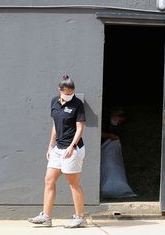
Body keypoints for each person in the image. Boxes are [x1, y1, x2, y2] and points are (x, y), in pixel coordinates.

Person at [28, 75, 87, 228]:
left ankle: (80, 217)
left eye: (72, 92)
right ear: (60, 90)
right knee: (49, 180)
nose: (70, 95)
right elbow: (55, 125)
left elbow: (80, 128)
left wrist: (71, 147)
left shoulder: (77, 104)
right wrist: (50, 145)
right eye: (67, 93)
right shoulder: (54, 102)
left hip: (72, 149)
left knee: (73, 184)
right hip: (57, 148)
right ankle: (46, 217)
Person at [100, 109, 137, 198]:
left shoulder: (116, 127)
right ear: (114, 115)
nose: (118, 122)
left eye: (120, 121)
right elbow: (96, 133)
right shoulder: (103, 121)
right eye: (119, 119)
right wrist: (109, 136)